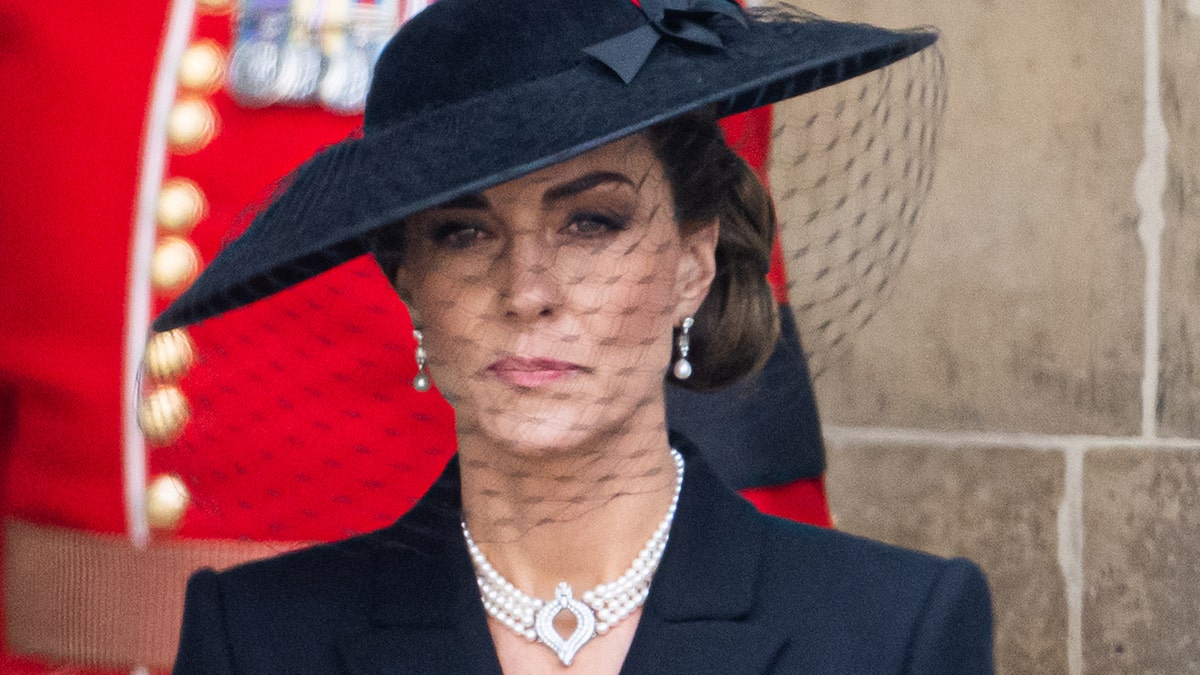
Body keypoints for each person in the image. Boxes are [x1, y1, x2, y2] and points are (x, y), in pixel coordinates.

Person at [166, 0, 994, 672]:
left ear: (692, 263)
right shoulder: (257, 640)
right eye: (464, 233)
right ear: (408, 279)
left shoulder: (893, 632)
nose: (527, 292)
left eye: (591, 223)